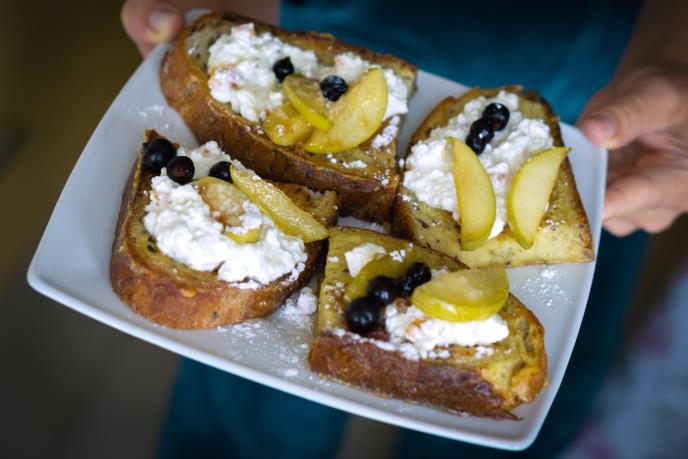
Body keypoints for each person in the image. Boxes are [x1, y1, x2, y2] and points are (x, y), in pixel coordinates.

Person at [121, 1, 688, 457]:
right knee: (251, 415)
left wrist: (675, 47)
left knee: (499, 426)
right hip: (325, 25)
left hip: (606, 91)